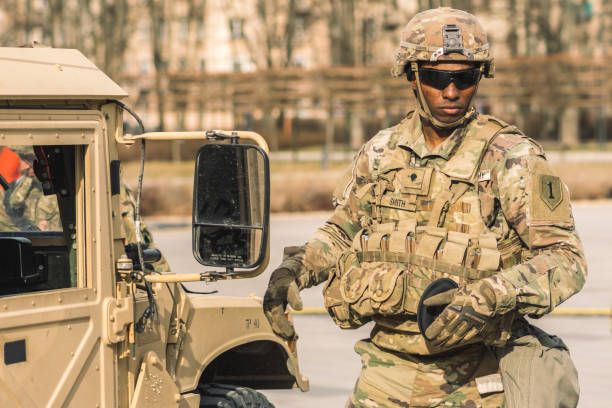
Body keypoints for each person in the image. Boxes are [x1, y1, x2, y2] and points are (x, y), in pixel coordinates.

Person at [263, 7, 586, 408]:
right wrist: (296, 270)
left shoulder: (511, 158)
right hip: (384, 373)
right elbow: (342, 231)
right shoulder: (381, 152)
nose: (451, 92)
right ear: (413, 77)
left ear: (479, 78)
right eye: (436, 78)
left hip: (474, 380)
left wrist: (491, 293)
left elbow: (566, 259)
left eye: (464, 78)